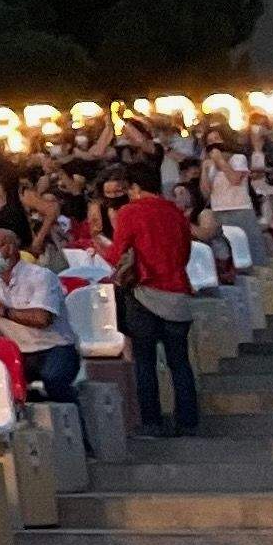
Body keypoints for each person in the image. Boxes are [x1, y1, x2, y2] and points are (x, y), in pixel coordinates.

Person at [98, 167, 204, 437]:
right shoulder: (175, 213)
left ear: (134, 188)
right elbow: (185, 253)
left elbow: (115, 254)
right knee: (179, 362)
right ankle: (188, 422)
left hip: (145, 294)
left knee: (144, 361)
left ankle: (152, 423)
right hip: (178, 293)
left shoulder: (130, 212)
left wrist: (98, 245)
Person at [0, 228, 73, 404]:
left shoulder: (42, 276)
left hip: (54, 348)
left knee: (54, 381)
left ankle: (74, 419)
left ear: (10, 248)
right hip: (17, 352)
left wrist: (2, 311)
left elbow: (43, 318)